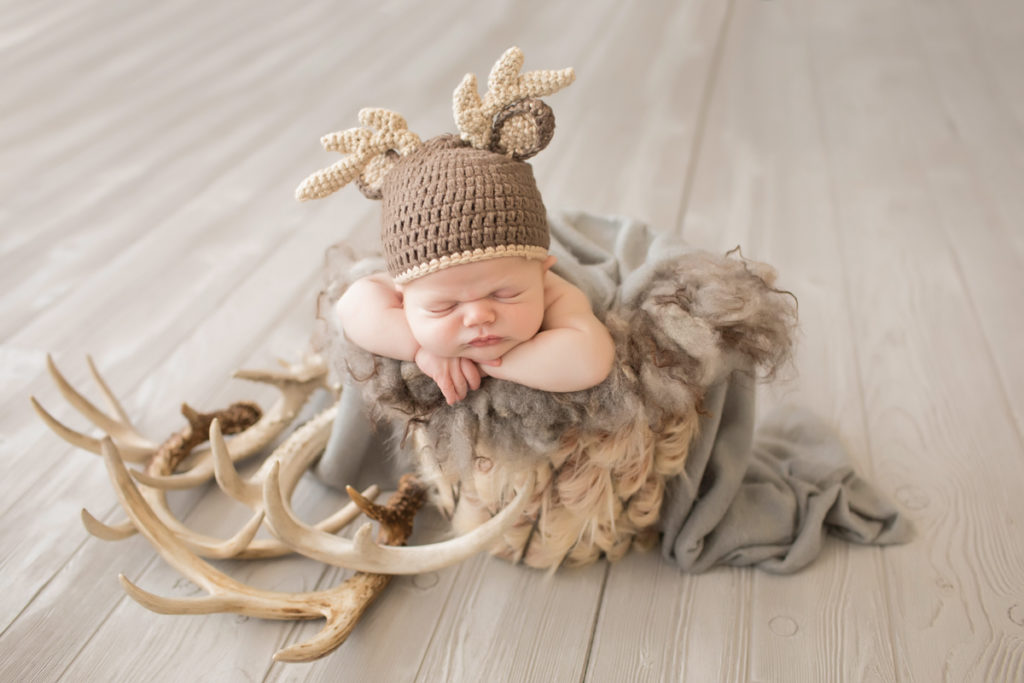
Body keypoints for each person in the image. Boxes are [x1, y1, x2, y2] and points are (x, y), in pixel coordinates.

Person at [336, 251, 615, 405]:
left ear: (542, 273)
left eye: (504, 294)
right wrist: (421, 350)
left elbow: (590, 360)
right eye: (444, 306)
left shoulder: (554, 289)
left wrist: (482, 364)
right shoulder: (423, 276)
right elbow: (351, 305)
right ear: (403, 293)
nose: (478, 316)